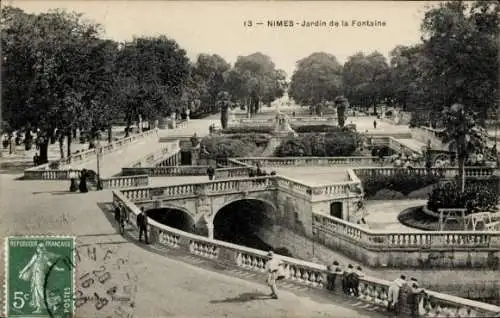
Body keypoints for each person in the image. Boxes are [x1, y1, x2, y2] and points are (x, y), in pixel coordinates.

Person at [18, 243, 65, 314]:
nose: (41, 249)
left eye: (42, 248)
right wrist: (22, 272)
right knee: (36, 292)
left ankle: (55, 303)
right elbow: (29, 265)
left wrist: (58, 269)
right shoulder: (35, 256)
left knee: (41, 291)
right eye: (39, 248)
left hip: (40, 276)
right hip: (35, 276)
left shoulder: (45, 256)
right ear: (37, 249)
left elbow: (50, 264)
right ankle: (39, 308)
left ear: (44, 249)